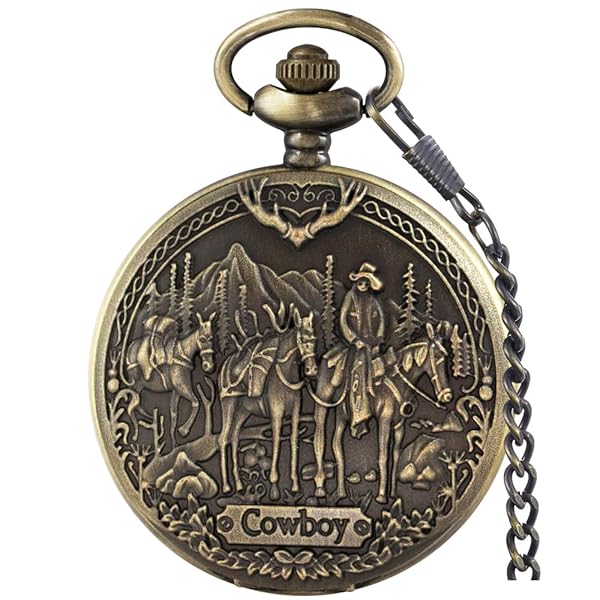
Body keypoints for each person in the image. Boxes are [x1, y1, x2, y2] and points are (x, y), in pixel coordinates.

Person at [339, 262, 385, 438]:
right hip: (356, 346)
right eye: (361, 282)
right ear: (356, 282)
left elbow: (381, 321)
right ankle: (359, 414)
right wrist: (353, 339)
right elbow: (343, 320)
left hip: (372, 345)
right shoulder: (349, 298)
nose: (363, 286)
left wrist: (379, 340)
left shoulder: (373, 301)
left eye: (366, 283)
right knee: (358, 373)